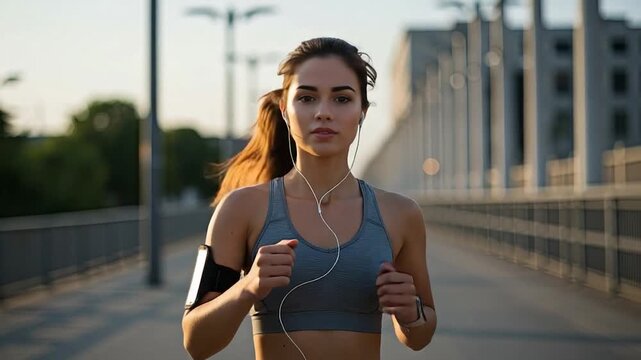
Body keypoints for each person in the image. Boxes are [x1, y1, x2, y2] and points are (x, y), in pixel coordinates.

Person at [182, 37, 436, 360]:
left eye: (342, 99)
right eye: (307, 97)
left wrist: (410, 313)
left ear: (362, 112)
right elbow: (195, 341)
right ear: (285, 111)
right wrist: (247, 288)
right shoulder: (241, 209)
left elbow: (421, 334)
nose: (323, 113)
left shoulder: (401, 214)